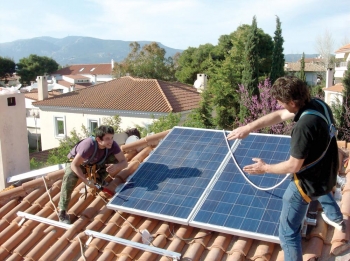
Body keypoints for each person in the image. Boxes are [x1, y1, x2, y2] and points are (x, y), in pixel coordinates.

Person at [227, 76, 345, 261]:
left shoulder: (303, 127)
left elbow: (293, 165)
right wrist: (249, 127)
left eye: (281, 102)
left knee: (288, 233)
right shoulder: (318, 105)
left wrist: (264, 168)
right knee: (321, 189)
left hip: (306, 184)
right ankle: (337, 218)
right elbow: (280, 116)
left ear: (291, 102)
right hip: (327, 173)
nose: (279, 106)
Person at [58, 125, 128, 224]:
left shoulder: (112, 145)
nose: (111, 141)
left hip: (95, 163)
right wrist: (86, 181)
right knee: (70, 175)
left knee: (114, 159)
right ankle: (62, 211)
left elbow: (124, 162)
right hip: (79, 163)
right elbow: (74, 165)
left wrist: (116, 166)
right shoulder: (88, 145)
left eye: (112, 138)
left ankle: (99, 179)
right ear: (98, 139)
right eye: (107, 139)